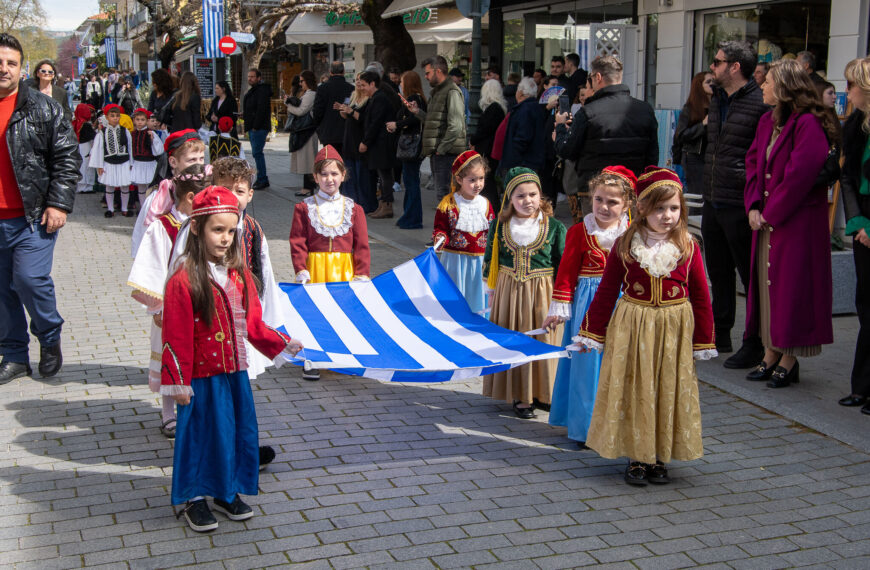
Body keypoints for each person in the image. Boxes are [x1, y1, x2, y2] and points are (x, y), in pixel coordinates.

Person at [162, 185, 302, 532]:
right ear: (197, 229)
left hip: (233, 372)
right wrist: (177, 382)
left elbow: (253, 323)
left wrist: (282, 342)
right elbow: (175, 335)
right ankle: (193, 497)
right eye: (217, 230)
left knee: (232, 431)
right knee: (198, 434)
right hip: (198, 376)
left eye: (231, 230)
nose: (225, 238)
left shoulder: (240, 275)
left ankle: (225, 491)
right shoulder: (182, 279)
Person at [573, 167, 715, 486]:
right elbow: (608, 291)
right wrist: (592, 333)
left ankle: (660, 456)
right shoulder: (625, 244)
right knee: (637, 389)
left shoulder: (689, 245)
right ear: (642, 209)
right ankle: (637, 456)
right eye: (660, 208)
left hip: (673, 328)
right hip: (633, 325)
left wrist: (704, 339)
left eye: (674, 208)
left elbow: (702, 295)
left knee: (666, 388)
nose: (667, 216)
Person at [743, 59, 836, 389]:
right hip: (769, 219)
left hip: (797, 222)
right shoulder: (767, 120)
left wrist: (771, 212)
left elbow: (801, 174)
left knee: (791, 289)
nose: (763, 87)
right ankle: (770, 351)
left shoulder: (808, 123)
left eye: (767, 82)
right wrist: (754, 205)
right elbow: (753, 162)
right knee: (768, 287)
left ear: (783, 88)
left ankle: (789, 358)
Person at [0, 33, 80, 385]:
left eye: (10, 63)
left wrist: (58, 203)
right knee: (2, 290)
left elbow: (67, 158)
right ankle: (15, 355)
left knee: (29, 280)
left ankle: (49, 336)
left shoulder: (44, 108)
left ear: (22, 68)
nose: (3, 69)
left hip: (31, 217)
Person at [544, 167, 634, 448]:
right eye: (598, 200)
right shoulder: (579, 231)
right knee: (587, 366)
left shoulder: (633, 234)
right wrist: (558, 308)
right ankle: (585, 429)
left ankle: (618, 426)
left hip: (624, 305)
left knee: (619, 364)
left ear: (627, 204)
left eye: (612, 202)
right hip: (587, 306)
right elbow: (567, 272)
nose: (604, 207)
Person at [128, 151, 204, 438]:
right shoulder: (163, 227)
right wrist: (158, 308)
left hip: (200, 305)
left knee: (196, 358)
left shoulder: (204, 224)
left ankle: (196, 408)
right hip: (171, 308)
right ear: (189, 199)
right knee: (170, 357)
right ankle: (168, 413)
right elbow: (152, 268)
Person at [703, 40, 768, 365]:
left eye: (717, 62)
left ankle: (755, 340)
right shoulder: (717, 99)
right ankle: (721, 332)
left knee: (749, 274)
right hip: (714, 198)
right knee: (718, 270)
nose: (712, 67)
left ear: (735, 67)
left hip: (741, 202)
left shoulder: (759, 102)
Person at [482, 167, 566, 418]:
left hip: (543, 291)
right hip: (509, 292)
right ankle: (520, 396)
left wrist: (562, 300)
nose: (528, 201)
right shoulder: (499, 225)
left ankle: (545, 392)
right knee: (516, 339)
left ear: (541, 196)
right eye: (520, 196)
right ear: (510, 199)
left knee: (544, 340)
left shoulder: (554, 227)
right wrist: (492, 291)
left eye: (533, 194)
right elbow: (490, 260)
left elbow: (563, 264)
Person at [289, 146, 371, 381]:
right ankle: (312, 358)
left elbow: (362, 245)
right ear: (315, 177)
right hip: (316, 269)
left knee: (344, 314)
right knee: (315, 313)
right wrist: (301, 268)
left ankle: (342, 356)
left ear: (343, 175)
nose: (329, 179)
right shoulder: (304, 208)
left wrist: (362, 273)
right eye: (323, 174)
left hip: (344, 271)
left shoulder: (355, 209)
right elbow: (298, 241)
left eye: (334, 174)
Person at [554, 55, 658, 223]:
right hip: (630, 188)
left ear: (598, 77)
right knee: (627, 240)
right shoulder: (645, 109)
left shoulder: (589, 111)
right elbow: (652, 157)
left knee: (596, 243)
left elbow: (567, 150)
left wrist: (560, 128)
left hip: (595, 192)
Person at [840, 57, 870, 414]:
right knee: (866, 307)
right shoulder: (855, 126)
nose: (846, 91)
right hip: (862, 226)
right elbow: (847, 179)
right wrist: (859, 223)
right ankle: (862, 387)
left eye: (851, 85)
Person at [432, 151, 494, 314]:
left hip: (480, 263)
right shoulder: (449, 204)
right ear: (459, 179)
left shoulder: (486, 204)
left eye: (481, 179)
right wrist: (440, 239)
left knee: (478, 297)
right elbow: (440, 227)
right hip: (455, 261)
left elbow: (492, 230)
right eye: (472, 180)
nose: (478, 184)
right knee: (456, 296)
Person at [409, 55, 467, 201]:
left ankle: (448, 223)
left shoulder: (451, 91)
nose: (426, 77)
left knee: (446, 196)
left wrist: (441, 149)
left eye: (428, 73)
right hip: (440, 152)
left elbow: (456, 125)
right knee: (443, 195)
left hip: (446, 153)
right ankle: (446, 222)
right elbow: (434, 120)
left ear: (438, 71)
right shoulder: (438, 92)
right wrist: (418, 113)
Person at [389, 70, 427, 229]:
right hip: (415, 144)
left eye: (403, 82)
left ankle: (412, 218)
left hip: (411, 144)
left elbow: (411, 119)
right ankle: (409, 216)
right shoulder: (420, 98)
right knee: (411, 181)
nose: (400, 84)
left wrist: (396, 125)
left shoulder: (413, 99)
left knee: (411, 182)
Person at [358, 70, 398, 218]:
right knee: (382, 174)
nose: (361, 88)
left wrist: (365, 142)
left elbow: (375, 123)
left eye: (363, 85)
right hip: (380, 143)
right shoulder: (376, 98)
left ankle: (386, 205)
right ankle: (383, 204)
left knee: (385, 175)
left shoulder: (380, 98)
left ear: (372, 84)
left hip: (382, 144)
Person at [337, 74, 377, 213]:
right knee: (349, 173)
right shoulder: (353, 95)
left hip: (360, 138)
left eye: (362, 84)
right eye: (358, 84)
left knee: (362, 176)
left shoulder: (369, 100)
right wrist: (343, 110)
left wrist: (351, 111)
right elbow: (347, 116)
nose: (359, 87)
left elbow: (364, 119)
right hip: (349, 137)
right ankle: (350, 203)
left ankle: (364, 204)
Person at [672, 72, 713, 195]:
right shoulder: (690, 108)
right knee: (697, 192)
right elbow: (682, 135)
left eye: (714, 81)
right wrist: (703, 124)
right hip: (694, 157)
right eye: (708, 82)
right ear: (699, 86)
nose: (712, 84)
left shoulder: (716, 106)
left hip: (711, 157)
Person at [89, 104, 133, 218]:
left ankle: (124, 208)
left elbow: (130, 147)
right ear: (107, 118)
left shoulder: (125, 131)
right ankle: (110, 209)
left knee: (125, 185)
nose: (115, 118)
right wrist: (99, 165)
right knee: (109, 186)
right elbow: (99, 149)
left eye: (117, 116)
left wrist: (131, 163)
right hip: (109, 162)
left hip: (124, 161)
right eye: (112, 116)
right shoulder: (102, 133)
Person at [469, 78, 506, 207]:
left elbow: (485, 130)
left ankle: (492, 209)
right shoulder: (497, 108)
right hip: (489, 148)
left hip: (487, 149)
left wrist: (473, 139)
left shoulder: (493, 109)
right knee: (486, 181)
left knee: (487, 182)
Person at [498, 77, 545, 176]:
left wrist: (513, 160)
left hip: (521, 164)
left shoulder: (524, 110)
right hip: (530, 162)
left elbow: (522, 138)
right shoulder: (536, 108)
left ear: (521, 93)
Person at [287, 70, 318, 197]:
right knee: (307, 160)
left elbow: (301, 111)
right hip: (306, 130)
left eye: (302, 81)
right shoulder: (308, 93)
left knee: (308, 160)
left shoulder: (311, 94)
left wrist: (288, 105)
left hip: (307, 131)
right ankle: (308, 187)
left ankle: (308, 187)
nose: (300, 84)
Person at [313, 61, 353, 155]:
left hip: (328, 132)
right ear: (343, 72)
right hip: (346, 131)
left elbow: (317, 111)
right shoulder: (351, 88)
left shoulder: (322, 88)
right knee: (344, 162)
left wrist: (319, 128)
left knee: (331, 160)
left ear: (330, 72)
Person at [242, 68, 273, 189]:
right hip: (254, 126)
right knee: (257, 153)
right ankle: (262, 178)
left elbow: (261, 109)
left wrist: (255, 126)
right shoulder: (255, 90)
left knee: (257, 153)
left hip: (258, 127)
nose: (250, 79)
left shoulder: (261, 90)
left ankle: (262, 179)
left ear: (259, 78)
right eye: (249, 76)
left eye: (252, 77)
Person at [130, 108, 164, 207]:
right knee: (141, 187)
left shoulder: (151, 133)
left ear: (147, 121)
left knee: (151, 187)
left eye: (142, 120)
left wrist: (152, 140)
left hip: (149, 163)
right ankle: (142, 208)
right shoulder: (132, 134)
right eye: (137, 119)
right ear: (134, 120)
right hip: (138, 163)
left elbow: (159, 150)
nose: (140, 122)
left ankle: (150, 208)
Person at [73, 103, 98, 194]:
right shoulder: (85, 125)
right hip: (86, 146)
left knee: (81, 166)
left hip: (79, 146)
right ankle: (86, 186)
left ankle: (81, 186)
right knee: (87, 166)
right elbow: (92, 136)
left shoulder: (76, 122)